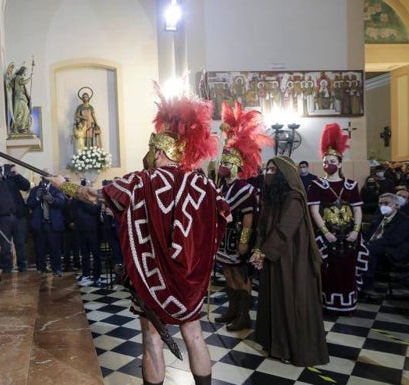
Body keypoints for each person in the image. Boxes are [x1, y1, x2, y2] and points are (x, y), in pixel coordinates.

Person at [47, 89, 230, 385]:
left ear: (159, 151)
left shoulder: (141, 182)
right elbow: (224, 217)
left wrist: (62, 185)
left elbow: (96, 197)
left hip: (151, 278)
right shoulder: (203, 185)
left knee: (152, 338)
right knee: (195, 334)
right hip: (190, 281)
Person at [250, 156, 329, 367]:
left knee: (290, 301)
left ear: (285, 175)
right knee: (274, 300)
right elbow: (263, 226)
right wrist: (258, 249)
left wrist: (265, 252)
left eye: (274, 170)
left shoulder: (294, 198)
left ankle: (291, 348)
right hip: (273, 256)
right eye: (267, 169)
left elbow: (285, 230)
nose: (268, 173)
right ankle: (275, 344)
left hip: (291, 260)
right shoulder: (271, 198)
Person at [214, 101, 271, 331]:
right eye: (222, 161)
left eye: (227, 163)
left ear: (237, 166)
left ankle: (244, 314)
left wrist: (245, 240)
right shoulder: (221, 187)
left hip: (238, 237)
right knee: (228, 274)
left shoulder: (245, 189)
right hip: (224, 237)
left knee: (240, 276)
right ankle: (232, 308)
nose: (223, 165)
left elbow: (249, 216)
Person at [308, 123, 369, 314]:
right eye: (326, 161)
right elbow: (314, 211)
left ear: (340, 163)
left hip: (350, 233)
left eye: (333, 160)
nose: (328, 164)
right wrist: (325, 233)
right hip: (327, 234)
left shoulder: (351, 185)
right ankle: (329, 303)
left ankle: (348, 303)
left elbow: (358, 210)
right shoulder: (317, 185)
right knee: (329, 270)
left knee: (348, 269)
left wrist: (355, 231)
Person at [0, 161, 31, 273]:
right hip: (2, 219)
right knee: (5, 247)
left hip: (18, 217)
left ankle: (23, 268)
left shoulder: (12, 178)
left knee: (21, 244)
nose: (0, 171)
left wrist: (16, 173)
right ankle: (6, 270)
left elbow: (26, 186)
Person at [361, 193, 409, 299]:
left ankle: (367, 286)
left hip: (394, 250)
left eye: (386, 203)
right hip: (377, 246)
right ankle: (355, 282)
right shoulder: (378, 218)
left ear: (397, 205)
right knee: (358, 248)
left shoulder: (404, 220)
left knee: (369, 250)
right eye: (380, 204)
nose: (383, 206)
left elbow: (394, 240)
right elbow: (368, 235)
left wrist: (369, 244)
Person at [27, 177, 66, 276]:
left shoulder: (56, 189)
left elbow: (62, 202)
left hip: (52, 224)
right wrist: (37, 198)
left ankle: (56, 269)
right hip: (39, 223)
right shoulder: (35, 190)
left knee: (55, 248)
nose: (45, 180)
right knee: (40, 248)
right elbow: (29, 204)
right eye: (43, 178)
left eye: (46, 177)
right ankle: (41, 269)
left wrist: (52, 199)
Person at [74, 179, 104, 288]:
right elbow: (72, 208)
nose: (89, 187)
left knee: (96, 255)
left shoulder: (95, 198)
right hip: (81, 230)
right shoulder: (78, 199)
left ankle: (97, 277)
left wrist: (83, 199)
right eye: (86, 185)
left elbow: (95, 209)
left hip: (93, 231)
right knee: (84, 255)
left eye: (90, 185)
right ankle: (86, 274)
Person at [7, 65, 32, 134]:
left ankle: (21, 127)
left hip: (22, 97)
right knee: (21, 112)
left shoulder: (20, 78)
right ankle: (18, 127)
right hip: (19, 98)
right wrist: (30, 77)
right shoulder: (18, 77)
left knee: (25, 111)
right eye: (25, 71)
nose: (26, 73)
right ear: (22, 71)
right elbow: (22, 82)